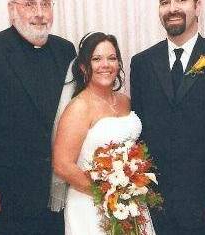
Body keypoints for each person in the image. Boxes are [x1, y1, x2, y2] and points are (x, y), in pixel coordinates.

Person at [130, 0, 205, 234]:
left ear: (198, 6)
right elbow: (139, 129)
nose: (172, 8)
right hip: (156, 198)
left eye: (181, 1)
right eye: (165, 2)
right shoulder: (142, 62)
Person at [0, 0, 76, 234]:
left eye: (46, 4)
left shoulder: (66, 50)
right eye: (30, 5)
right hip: (13, 189)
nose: (40, 14)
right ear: (12, 9)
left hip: (61, 185)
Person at [52, 32, 156, 235]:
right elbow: (62, 165)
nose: (105, 64)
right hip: (91, 204)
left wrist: (127, 193)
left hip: (130, 202)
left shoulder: (125, 101)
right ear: (83, 66)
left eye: (112, 58)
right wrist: (110, 194)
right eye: (96, 59)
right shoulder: (79, 107)